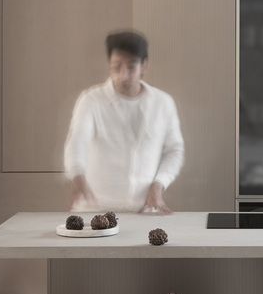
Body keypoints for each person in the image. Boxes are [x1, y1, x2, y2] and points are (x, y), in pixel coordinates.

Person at [63, 30, 184, 215]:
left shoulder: (162, 103)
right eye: (116, 67)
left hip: (143, 209)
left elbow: (175, 150)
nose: (123, 75)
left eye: (130, 67)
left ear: (144, 65)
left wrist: (158, 185)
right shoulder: (91, 101)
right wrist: (78, 176)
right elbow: (76, 143)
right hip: (95, 209)